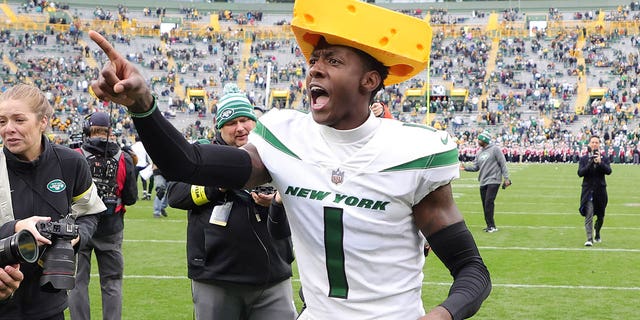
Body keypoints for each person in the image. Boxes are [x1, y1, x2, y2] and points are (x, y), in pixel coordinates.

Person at [87, 0, 492, 318]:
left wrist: (439, 315)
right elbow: (188, 164)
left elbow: (473, 272)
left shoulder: (414, 152)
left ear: (369, 81)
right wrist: (143, 106)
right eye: (314, 60)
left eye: (333, 60)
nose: (315, 70)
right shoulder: (284, 136)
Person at [166, 86, 296, 319]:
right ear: (219, 127)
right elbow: (175, 194)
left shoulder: (277, 151)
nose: (240, 128)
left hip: (273, 275)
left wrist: (276, 201)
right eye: (231, 123)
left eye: (245, 120)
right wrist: (220, 182)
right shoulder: (203, 154)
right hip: (217, 278)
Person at [0, 83, 103, 319]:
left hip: (50, 303)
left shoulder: (71, 163)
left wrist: (77, 236)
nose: (9, 129)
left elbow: (89, 213)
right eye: (2, 121)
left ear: (43, 122)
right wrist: (15, 228)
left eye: (19, 120)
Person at [68, 111, 138, 320]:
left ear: (87, 131)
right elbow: (131, 197)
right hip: (112, 227)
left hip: (79, 227)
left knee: (77, 282)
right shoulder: (124, 157)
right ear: (110, 131)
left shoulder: (75, 155)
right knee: (112, 282)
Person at [461, 131, 511, 233]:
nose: (478, 141)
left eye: (480, 139)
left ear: (485, 140)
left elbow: (503, 163)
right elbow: (476, 167)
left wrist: (506, 178)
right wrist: (465, 168)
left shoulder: (495, 149)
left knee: (489, 202)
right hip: (483, 181)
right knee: (485, 204)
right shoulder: (479, 152)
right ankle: (489, 225)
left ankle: (492, 226)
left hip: (494, 180)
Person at [578, 135, 612, 247]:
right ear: (589, 144)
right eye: (592, 142)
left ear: (599, 144)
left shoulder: (604, 158)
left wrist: (600, 163)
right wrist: (590, 163)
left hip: (600, 192)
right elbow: (580, 173)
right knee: (589, 214)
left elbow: (609, 171)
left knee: (601, 216)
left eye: (596, 142)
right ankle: (589, 238)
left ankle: (597, 232)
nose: (594, 144)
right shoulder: (583, 159)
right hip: (588, 192)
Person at [130, 135, 152, 200]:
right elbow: (147, 156)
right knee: (144, 180)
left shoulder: (133, 146)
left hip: (136, 165)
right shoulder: (144, 146)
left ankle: (135, 195)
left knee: (135, 181)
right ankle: (145, 193)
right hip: (143, 164)